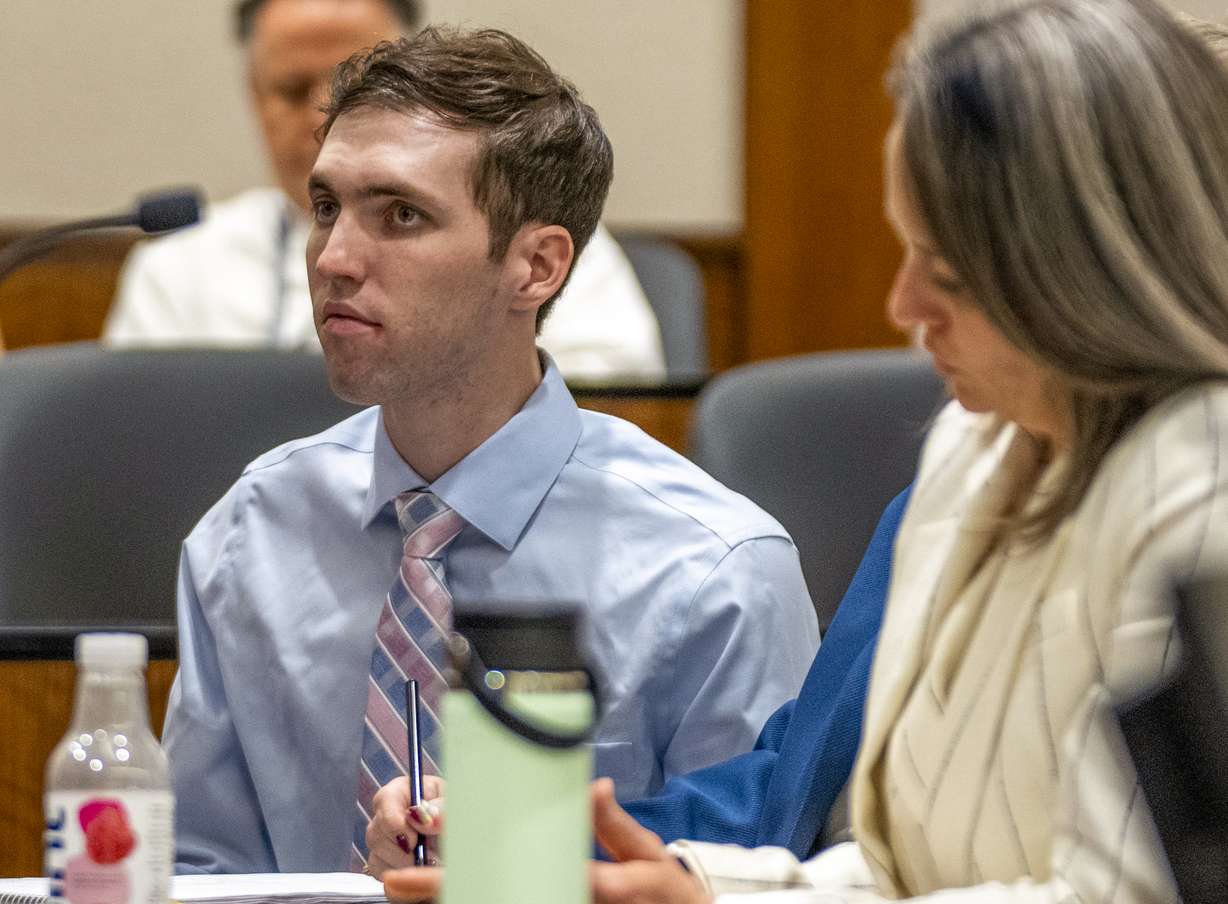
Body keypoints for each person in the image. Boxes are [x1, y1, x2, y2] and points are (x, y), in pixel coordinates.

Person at [385, 0, 1228, 900]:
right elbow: (884, 855)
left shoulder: (1200, 496)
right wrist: (691, 886)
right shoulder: (973, 450)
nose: (901, 307)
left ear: (1087, 271)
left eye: (944, 271)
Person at [160, 26, 819, 876]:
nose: (334, 259)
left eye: (401, 215)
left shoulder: (712, 573)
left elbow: (755, 881)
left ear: (536, 266)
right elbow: (194, 875)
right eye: (327, 207)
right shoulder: (251, 531)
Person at [102, 0, 666, 382]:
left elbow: (614, 399)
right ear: (254, 98)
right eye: (294, 89)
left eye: (358, 82)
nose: (327, 115)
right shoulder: (179, 267)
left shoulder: (528, 243)